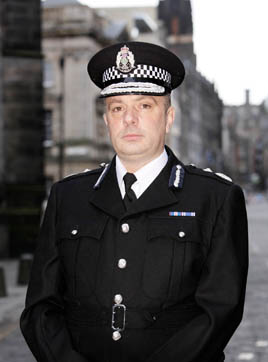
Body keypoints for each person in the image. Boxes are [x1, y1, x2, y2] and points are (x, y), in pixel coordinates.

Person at [20, 42, 248, 362]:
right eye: (117, 108)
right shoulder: (67, 197)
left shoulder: (216, 199)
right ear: (106, 120)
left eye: (144, 106)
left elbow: (219, 312)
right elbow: (40, 309)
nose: (129, 119)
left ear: (168, 118)